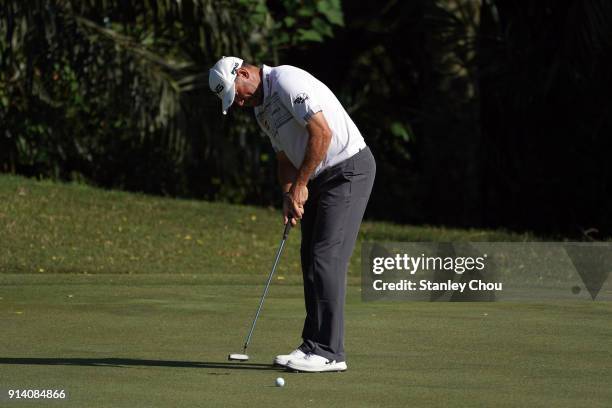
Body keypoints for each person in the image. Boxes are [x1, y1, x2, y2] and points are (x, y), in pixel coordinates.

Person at [209, 56, 376, 372]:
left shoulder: (286, 81)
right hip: (319, 177)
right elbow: (284, 157)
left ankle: (330, 352)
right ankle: (312, 345)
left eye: (238, 94)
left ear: (244, 73)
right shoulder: (262, 111)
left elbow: (322, 134)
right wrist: (289, 193)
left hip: (348, 170)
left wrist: (301, 184)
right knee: (310, 259)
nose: (240, 103)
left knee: (326, 258)